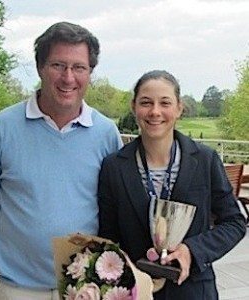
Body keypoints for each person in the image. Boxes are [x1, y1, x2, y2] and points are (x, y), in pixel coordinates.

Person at [0, 22, 123, 299]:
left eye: (79, 67)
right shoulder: (1, 129)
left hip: (85, 288)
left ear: (90, 72)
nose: (68, 78)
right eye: (58, 65)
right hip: (18, 288)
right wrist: (18, 251)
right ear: (40, 67)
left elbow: (114, 206)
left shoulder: (106, 133)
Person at [98, 70, 246, 300]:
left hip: (194, 291)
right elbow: (108, 235)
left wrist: (192, 251)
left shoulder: (205, 160)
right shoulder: (114, 167)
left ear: (179, 108)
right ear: (133, 107)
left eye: (164, 103)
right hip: (135, 292)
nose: (155, 111)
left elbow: (235, 222)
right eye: (146, 102)